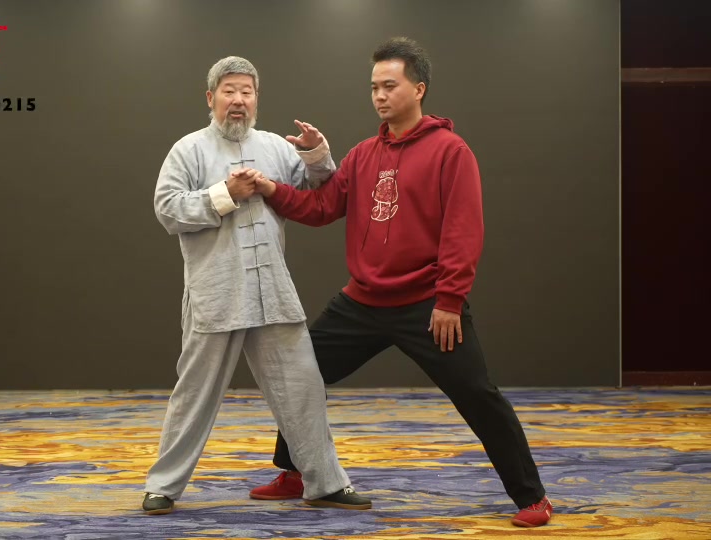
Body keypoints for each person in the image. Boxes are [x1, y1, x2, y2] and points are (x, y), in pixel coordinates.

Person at [248, 37, 554, 528]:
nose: (380, 96)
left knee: (478, 395)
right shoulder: (362, 155)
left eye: (390, 86)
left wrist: (449, 300)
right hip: (363, 301)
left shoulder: (451, 151)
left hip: (427, 304)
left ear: (419, 88)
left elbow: (463, 231)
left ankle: (532, 497)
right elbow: (321, 207)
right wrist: (271, 189)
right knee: (302, 374)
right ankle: (296, 471)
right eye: (374, 87)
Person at [142, 55, 372, 515]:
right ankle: (162, 486)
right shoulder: (188, 150)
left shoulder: (274, 148)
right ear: (211, 98)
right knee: (194, 395)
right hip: (216, 293)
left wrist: (315, 152)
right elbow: (167, 209)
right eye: (229, 91)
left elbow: (321, 192)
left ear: (256, 99)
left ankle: (325, 482)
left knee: (304, 387)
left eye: (246, 92)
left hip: (273, 290)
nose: (238, 100)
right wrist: (225, 194)